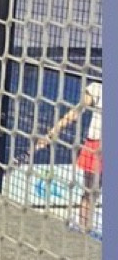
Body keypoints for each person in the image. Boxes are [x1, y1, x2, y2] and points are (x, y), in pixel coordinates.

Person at [35, 77, 102, 235]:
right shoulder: (98, 88)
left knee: (92, 192)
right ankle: (84, 232)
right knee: (91, 191)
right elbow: (76, 112)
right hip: (97, 145)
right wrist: (52, 132)